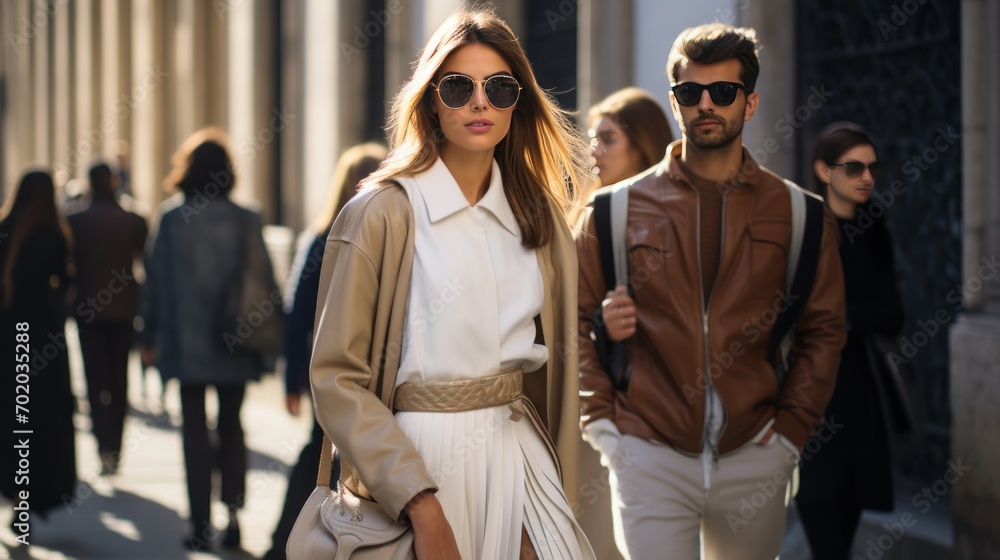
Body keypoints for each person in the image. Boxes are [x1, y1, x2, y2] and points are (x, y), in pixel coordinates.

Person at [308, 8, 595, 559]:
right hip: (419, 463)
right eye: (459, 86)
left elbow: (557, 360)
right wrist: (418, 499)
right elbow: (336, 377)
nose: (480, 102)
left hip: (519, 448)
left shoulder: (539, 217)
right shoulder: (383, 213)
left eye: (500, 87)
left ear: (519, 101)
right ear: (431, 99)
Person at [575, 23, 847, 559]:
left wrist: (790, 432)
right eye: (689, 93)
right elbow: (572, 321)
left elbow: (825, 329)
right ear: (674, 102)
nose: (706, 105)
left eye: (723, 92)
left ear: (750, 103)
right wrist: (606, 428)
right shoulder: (612, 210)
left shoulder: (799, 214)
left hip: (755, 452)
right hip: (647, 449)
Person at [137, 128, 279, 551]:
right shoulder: (245, 217)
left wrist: (147, 331)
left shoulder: (170, 219)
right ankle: (233, 516)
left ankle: (199, 523)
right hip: (236, 337)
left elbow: (154, 282)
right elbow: (265, 282)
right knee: (233, 427)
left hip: (186, 343)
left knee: (194, 431)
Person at [263, 142, 387, 560]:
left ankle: (298, 540)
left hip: (341, 371)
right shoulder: (326, 240)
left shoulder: (331, 238)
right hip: (346, 371)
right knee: (323, 456)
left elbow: (297, 314)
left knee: (329, 456)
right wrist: (293, 378)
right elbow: (298, 315)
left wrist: (294, 378)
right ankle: (294, 539)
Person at [795, 123, 904, 560]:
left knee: (849, 517)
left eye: (872, 168)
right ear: (824, 170)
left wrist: (837, 318)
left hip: (861, 392)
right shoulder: (801, 226)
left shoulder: (873, 223)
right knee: (823, 528)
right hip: (810, 398)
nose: (867, 178)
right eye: (854, 167)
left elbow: (894, 313)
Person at [576, 86, 674, 560]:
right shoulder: (591, 215)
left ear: (644, 145)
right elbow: (572, 316)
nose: (594, 149)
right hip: (599, 413)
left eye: (608, 138)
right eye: (595, 137)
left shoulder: (677, 217)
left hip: (663, 422)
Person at [0, 170, 77, 528]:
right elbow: (66, 282)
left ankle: (16, 495)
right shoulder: (52, 234)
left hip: (11, 333)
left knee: (13, 415)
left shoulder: (5, 228)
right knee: (39, 417)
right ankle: (29, 497)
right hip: (43, 337)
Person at [67, 161, 148, 476]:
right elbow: (147, 262)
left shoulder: (75, 221)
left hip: (89, 312)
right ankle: (114, 445)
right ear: (114, 182)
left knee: (94, 380)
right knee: (118, 381)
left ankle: (104, 445)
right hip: (124, 311)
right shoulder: (132, 220)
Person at [588, 87, 674, 188]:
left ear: (643, 144)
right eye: (593, 139)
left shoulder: (680, 202)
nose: (594, 152)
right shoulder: (592, 201)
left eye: (608, 138)